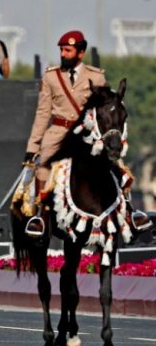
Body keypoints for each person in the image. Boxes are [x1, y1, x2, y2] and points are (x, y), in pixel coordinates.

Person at [24, 30, 150, 236]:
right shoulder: (51, 76)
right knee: (44, 166)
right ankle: (41, 217)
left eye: (68, 50)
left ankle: (129, 211)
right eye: (62, 50)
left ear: (80, 53)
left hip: (87, 133)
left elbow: (108, 107)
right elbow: (42, 113)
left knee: (115, 164)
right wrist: (32, 146)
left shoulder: (96, 76)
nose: (63, 54)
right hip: (58, 131)